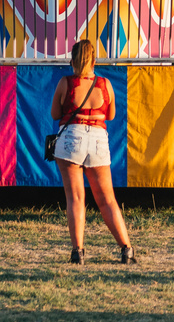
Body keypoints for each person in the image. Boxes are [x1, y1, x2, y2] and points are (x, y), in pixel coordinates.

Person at [50, 40, 135, 265]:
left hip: (70, 138)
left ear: (73, 60)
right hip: (97, 139)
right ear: (94, 60)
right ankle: (126, 249)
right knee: (107, 199)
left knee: (76, 198)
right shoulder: (105, 84)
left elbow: (54, 114)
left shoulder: (65, 83)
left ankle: (78, 252)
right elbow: (111, 115)